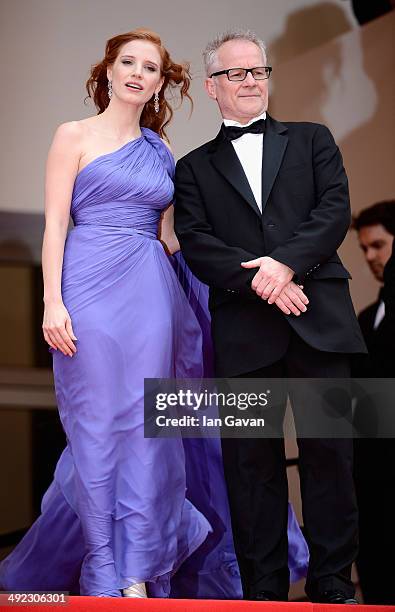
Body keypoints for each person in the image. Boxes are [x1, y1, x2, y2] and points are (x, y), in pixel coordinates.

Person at [0, 29, 308, 598]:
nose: (139, 73)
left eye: (152, 67)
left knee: (150, 430)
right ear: (109, 71)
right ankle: (99, 567)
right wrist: (51, 301)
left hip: (149, 290)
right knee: (95, 428)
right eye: (128, 62)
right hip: (86, 285)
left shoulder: (160, 152)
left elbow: (173, 239)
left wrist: (249, 269)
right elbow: (55, 226)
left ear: (162, 82)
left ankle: (137, 572)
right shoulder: (72, 135)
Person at [175, 29, 367, 604]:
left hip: (320, 321)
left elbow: (334, 211)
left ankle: (333, 582)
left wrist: (283, 265)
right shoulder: (192, 167)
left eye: (259, 71)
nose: (252, 81)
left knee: (329, 454)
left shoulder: (313, 139)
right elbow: (197, 242)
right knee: (250, 466)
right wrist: (264, 279)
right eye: (237, 73)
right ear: (212, 86)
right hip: (244, 332)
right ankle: (264, 589)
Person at [352, 201, 395, 605]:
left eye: (378, 246)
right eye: (365, 249)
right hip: (370, 480)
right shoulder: (365, 319)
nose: (370, 257)